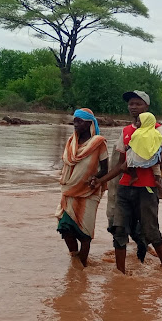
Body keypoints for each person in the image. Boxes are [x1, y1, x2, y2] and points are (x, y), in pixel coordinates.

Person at [93, 90, 162, 274]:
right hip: (125, 189)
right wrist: (100, 181)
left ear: (146, 107)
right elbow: (120, 165)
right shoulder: (126, 131)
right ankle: (120, 274)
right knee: (119, 229)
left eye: (138, 104)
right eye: (131, 104)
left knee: (151, 230)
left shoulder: (157, 130)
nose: (133, 107)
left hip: (147, 189)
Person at [55, 108, 108, 268]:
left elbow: (105, 169)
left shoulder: (99, 143)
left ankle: (81, 268)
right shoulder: (71, 142)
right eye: (75, 120)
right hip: (70, 191)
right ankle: (75, 260)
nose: (75, 123)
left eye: (79, 121)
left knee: (85, 233)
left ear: (89, 123)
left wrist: (95, 178)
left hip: (88, 192)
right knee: (64, 227)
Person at [124, 112, 162, 189]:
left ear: (145, 122)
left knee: (129, 161)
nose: (136, 123)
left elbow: (132, 143)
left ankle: (134, 176)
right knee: (156, 167)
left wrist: (128, 147)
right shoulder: (155, 132)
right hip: (151, 156)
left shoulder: (137, 133)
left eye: (139, 121)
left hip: (139, 156)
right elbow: (161, 139)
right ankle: (157, 179)